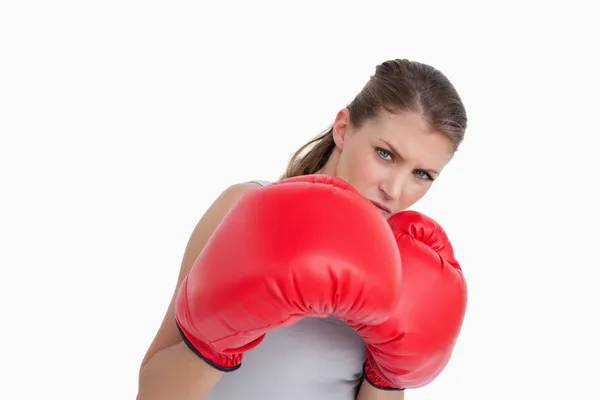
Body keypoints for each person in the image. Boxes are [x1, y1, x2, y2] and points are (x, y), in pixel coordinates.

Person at [137, 58, 468, 400]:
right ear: (343, 128)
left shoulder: (404, 266)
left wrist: (389, 377)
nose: (395, 189)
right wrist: (212, 344)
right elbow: (151, 394)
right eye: (385, 154)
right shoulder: (247, 209)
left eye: (422, 174)